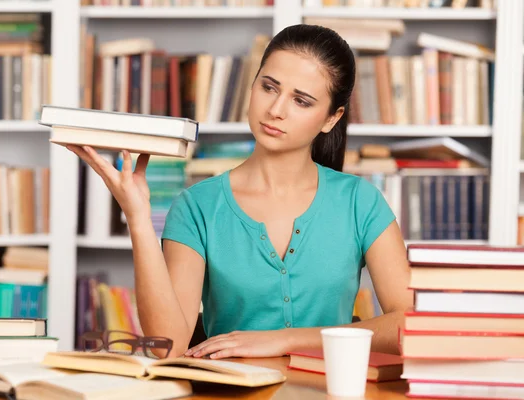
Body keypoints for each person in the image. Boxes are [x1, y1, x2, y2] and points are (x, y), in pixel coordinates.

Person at [67, 24, 412, 360]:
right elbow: (167, 347)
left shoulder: (360, 202)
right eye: (269, 87)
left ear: (330, 119)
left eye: (301, 101)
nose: (276, 110)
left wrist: (284, 340)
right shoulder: (197, 207)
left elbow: (408, 325)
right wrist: (138, 217)